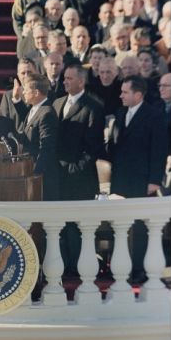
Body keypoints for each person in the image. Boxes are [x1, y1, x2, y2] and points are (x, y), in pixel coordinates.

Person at [105, 75, 168, 284]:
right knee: (121, 225)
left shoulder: (154, 115)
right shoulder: (121, 113)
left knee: (139, 226)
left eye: (125, 92)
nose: (121, 95)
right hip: (121, 179)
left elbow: (158, 150)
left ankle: (139, 268)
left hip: (142, 180)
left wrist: (154, 180)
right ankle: (121, 267)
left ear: (138, 94)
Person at [52, 64, 105, 280]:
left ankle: (77, 268)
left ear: (81, 81)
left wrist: (74, 168)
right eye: (64, 78)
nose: (65, 81)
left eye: (69, 78)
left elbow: (93, 147)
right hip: (58, 177)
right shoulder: (57, 103)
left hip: (80, 178)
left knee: (78, 226)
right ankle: (62, 266)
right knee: (60, 225)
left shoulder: (93, 106)